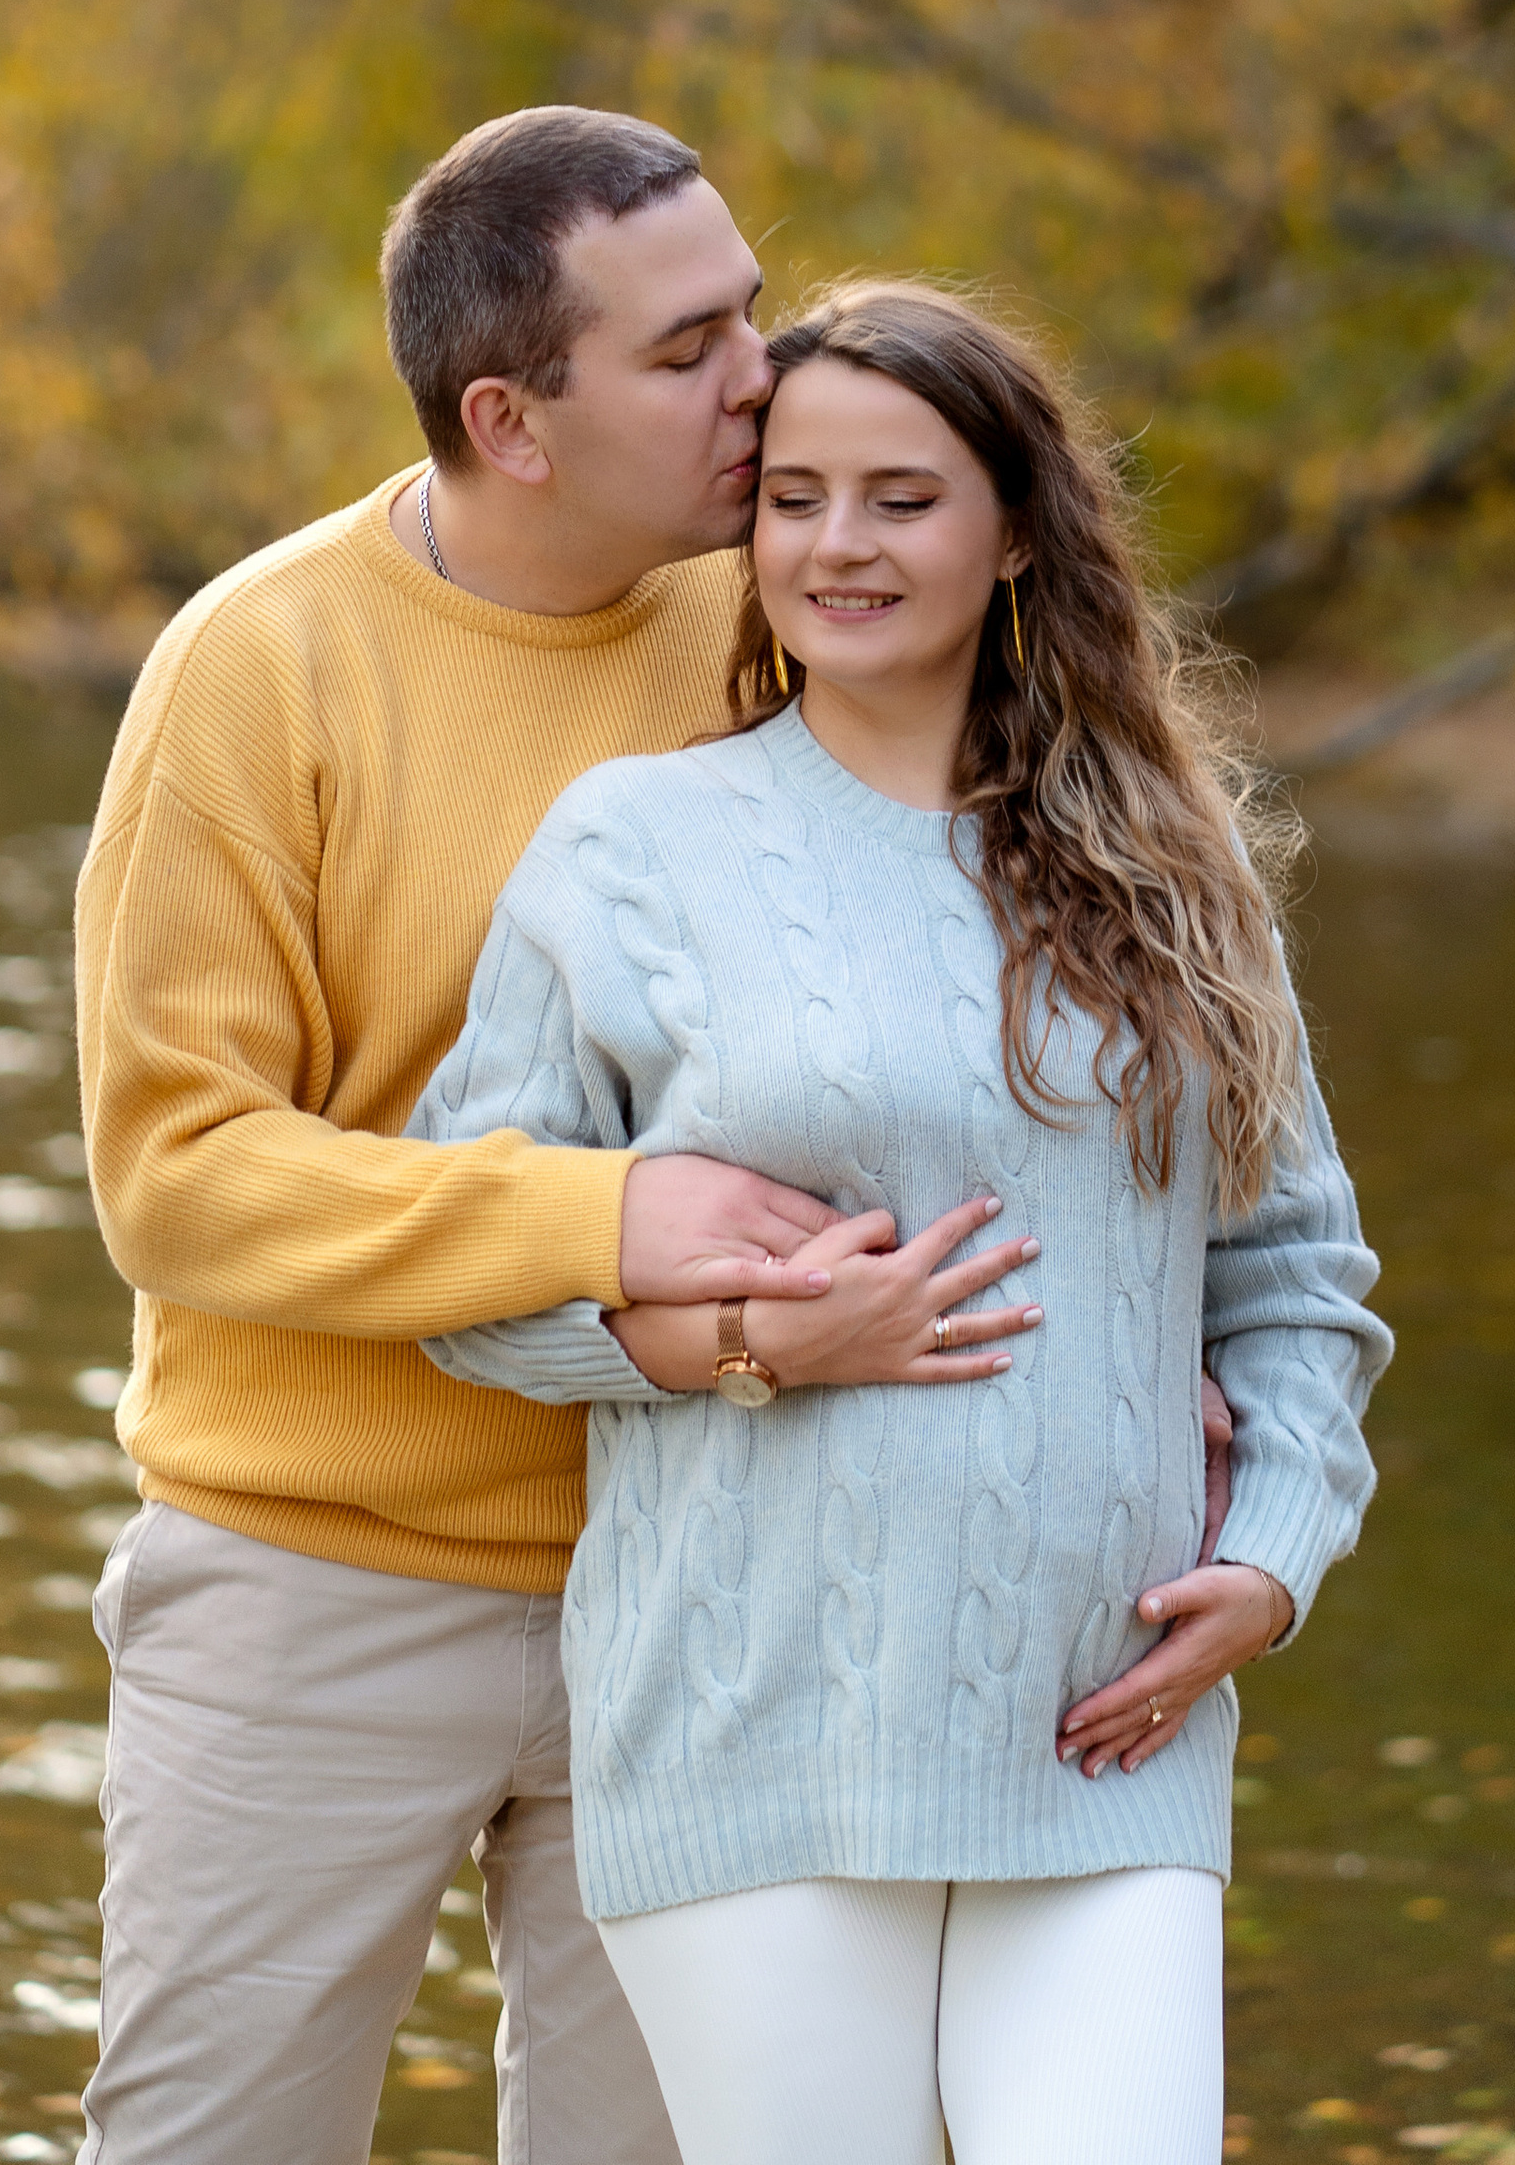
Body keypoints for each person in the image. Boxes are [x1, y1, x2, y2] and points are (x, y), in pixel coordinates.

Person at [70, 111, 1019, 2165]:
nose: (760, 376)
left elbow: (982, 997)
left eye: (750, 309)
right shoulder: (262, 669)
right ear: (513, 418)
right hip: (308, 1586)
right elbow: (175, 1172)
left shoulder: (792, 624)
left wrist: (1155, 1367)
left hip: (710, 1581)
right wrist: (607, 1213)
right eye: (687, 350)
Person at [412, 281, 1393, 2165]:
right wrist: (771, 1348)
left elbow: (1294, 1285)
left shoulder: (1172, 867)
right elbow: (477, 1278)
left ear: (1017, 530)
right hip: (753, 1727)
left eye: (901, 498)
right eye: (791, 498)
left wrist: (1269, 1566)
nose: (836, 546)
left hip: (1104, 1729)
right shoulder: (630, 850)